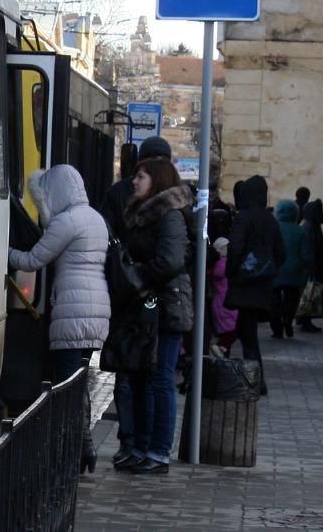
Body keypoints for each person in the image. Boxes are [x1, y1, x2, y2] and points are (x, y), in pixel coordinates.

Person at [9, 165, 110, 475]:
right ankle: (83, 447)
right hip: (97, 309)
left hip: (73, 310)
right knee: (79, 383)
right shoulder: (95, 218)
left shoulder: (67, 221)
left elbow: (33, 260)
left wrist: (0, 251)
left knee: (67, 387)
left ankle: (77, 449)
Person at [96, 136, 173, 468]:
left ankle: (141, 444)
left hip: (146, 298)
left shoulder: (165, 209)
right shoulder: (125, 196)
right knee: (135, 374)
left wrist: (135, 278)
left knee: (146, 374)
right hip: (134, 296)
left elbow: (169, 261)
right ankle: (136, 443)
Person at [114, 158, 192, 475]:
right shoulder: (143, 215)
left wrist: (135, 274)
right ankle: (143, 447)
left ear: (156, 180)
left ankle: (159, 452)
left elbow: (170, 261)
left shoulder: (168, 215)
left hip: (166, 304)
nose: (134, 181)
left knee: (161, 379)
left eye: (141, 176)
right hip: (148, 304)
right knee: (144, 377)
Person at [224, 176, 285, 394]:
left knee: (246, 333)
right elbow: (281, 253)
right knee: (245, 330)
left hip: (245, 284)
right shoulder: (271, 220)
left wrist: (232, 272)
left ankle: (256, 380)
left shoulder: (244, 218)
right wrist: (267, 269)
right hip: (263, 285)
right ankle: (253, 378)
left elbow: (235, 249)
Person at [270, 199, 312, 339]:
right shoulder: (300, 231)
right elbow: (306, 255)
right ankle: (287, 320)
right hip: (294, 272)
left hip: (275, 271)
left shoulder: (273, 229)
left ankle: (276, 329)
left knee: (274, 300)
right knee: (291, 299)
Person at [296, 199, 323, 333]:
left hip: (312, 266)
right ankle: (305, 319)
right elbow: (311, 249)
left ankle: (305, 319)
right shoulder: (310, 227)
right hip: (312, 268)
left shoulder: (309, 226)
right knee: (310, 293)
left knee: (311, 293)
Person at [209, 236, 237, 355]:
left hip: (221, 301)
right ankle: (221, 347)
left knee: (227, 330)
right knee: (231, 330)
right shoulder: (223, 264)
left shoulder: (216, 264)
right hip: (225, 302)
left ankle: (222, 348)